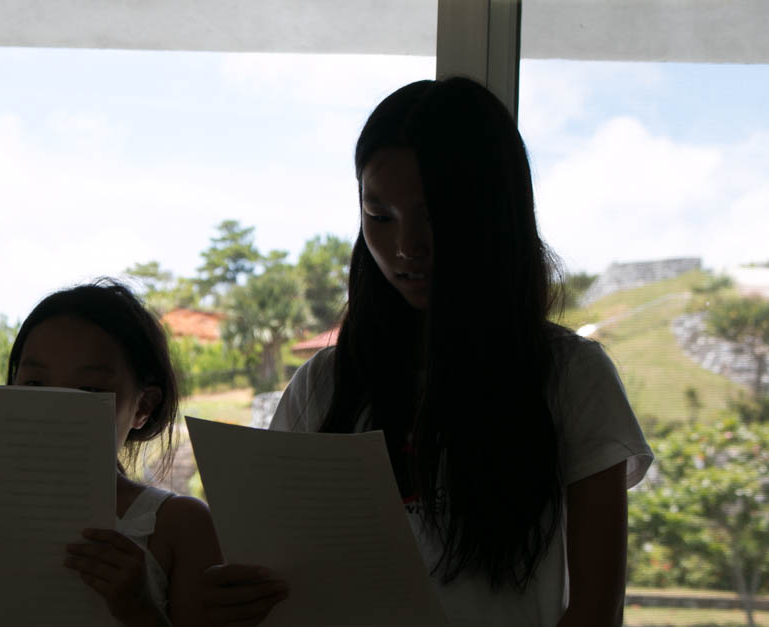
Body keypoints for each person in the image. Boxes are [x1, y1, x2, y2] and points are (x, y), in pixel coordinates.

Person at [202, 77, 653, 626]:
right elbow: (276, 572)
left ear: (493, 213)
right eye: (379, 216)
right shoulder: (325, 383)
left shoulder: (571, 377)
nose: (405, 248)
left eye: (435, 215)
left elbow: (594, 612)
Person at [0, 280, 223, 627]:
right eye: (35, 384)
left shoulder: (180, 525)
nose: (55, 405)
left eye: (89, 389)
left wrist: (138, 610)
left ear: (143, 406)